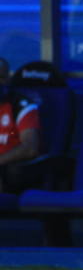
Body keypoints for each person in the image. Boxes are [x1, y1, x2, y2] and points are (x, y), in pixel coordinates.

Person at [0, 58, 41, 192]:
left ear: (7, 79)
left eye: (1, 77)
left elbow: (30, 149)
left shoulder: (21, 105)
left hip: (7, 171)